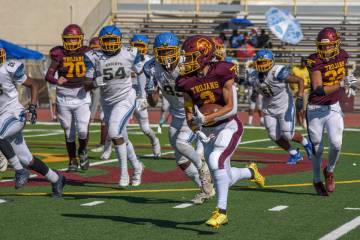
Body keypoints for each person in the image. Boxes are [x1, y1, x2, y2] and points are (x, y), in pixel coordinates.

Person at [176, 35, 265, 229]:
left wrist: (207, 118)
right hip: (207, 131)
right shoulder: (185, 81)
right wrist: (196, 128)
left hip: (228, 126)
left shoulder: (223, 71)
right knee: (222, 176)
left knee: (216, 161)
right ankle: (250, 171)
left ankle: (221, 212)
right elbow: (189, 113)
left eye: (190, 57)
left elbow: (232, 108)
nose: (185, 61)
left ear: (204, 55)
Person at [144, 32, 213, 204]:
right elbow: (153, 102)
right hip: (176, 114)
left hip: (194, 112)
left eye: (169, 51)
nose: (166, 56)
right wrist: (151, 89)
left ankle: (202, 167)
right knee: (181, 160)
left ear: (177, 50)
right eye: (162, 52)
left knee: (182, 143)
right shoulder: (151, 67)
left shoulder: (188, 63)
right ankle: (206, 189)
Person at [0, 43, 65, 197]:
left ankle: (20, 171)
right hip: (2, 118)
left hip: (14, 114)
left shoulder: (7, 69)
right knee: (27, 160)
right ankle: (56, 178)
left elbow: (33, 85)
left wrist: (33, 107)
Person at [84, 25, 145, 187]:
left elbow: (141, 73)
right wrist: (95, 82)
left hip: (126, 98)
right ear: (101, 42)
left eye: (113, 40)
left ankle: (124, 173)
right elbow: (86, 84)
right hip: (108, 102)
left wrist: (143, 94)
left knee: (113, 132)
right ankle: (138, 167)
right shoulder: (93, 56)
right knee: (121, 137)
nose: (110, 44)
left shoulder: (130, 53)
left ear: (119, 41)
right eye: (107, 40)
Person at [306, 27, 357, 196]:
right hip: (315, 109)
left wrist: (349, 84)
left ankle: (329, 171)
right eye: (322, 46)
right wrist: (342, 84)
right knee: (318, 148)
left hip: (333, 106)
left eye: (328, 46)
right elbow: (319, 90)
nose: (325, 49)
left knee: (336, 143)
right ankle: (316, 179)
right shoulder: (314, 61)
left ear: (336, 45)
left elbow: (344, 72)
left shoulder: (342, 54)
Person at [252, 50, 313, 164]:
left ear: (271, 61)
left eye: (264, 62)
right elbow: (257, 88)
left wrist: (299, 97)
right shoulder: (253, 75)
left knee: (288, 134)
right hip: (269, 108)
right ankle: (295, 154)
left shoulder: (277, 71)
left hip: (285, 106)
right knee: (273, 135)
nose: (262, 65)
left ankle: (306, 143)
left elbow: (300, 80)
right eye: (259, 63)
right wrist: (253, 94)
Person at [45, 24, 91, 172]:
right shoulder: (59, 54)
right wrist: (56, 81)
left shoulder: (87, 53)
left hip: (81, 95)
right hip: (64, 97)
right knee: (69, 132)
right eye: (69, 40)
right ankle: (72, 160)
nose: (72, 42)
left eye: (74, 39)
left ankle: (83, 151)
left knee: (83, 130)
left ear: (80, 39)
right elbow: (48, 75)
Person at [130, 34, 161, 158]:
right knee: (115, 124)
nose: (138, 49)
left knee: (145, 128)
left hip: (141, 99)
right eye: (135, 46)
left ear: (146, 47)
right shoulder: (126, 58)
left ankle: (154, 141)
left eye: (140, 46)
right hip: (125, 96)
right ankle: (108, 147)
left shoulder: (150, 61)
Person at [291, 57, 310, 128]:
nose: (304, 63)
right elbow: (290, 79)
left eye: (305, 62)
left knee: (304, 108)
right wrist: (292, 87)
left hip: (304, 91)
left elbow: (309, 83)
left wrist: (302, 88)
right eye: (303, 61)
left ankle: (304, 121)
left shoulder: (308, 71)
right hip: (295, 91)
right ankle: (297, 122)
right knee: (295, 107)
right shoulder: (295, 69)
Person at [245, 60, 264, 126]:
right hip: (258, 88)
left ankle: (250, 122)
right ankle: (261, 121)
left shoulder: (249, 70)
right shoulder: (256, 70)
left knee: (253, 105)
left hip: (253, 88)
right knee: (259, 105)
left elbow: (248, 81)